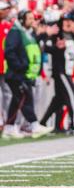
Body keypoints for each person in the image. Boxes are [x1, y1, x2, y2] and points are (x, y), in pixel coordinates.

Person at [3, 10, 52, 139]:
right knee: (26, 98)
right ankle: (34, 125)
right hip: (17, 73)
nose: (32, 21)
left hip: (23, 73)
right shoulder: (15, 32)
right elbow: (10, 51)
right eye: (29, 18)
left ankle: (9, 127)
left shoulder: (25, 33)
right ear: (21, 20)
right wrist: (20, 66)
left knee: (17, 100)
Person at [40, 9, 74, 133]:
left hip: (67, 71)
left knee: (59, 100)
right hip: (61, 71)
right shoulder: (57, 34)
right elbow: (46, 48)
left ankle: (46, 123)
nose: (69, 23)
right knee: (72, 97)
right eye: (66, 21)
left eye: (71, 21)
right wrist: (56, 47)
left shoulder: (72, 35)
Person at [0, 1, 13, 130]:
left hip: (6, 65)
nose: (6, 11)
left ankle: (7, 120)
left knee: (7, 93)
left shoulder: (9, 26)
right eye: (4, 9)